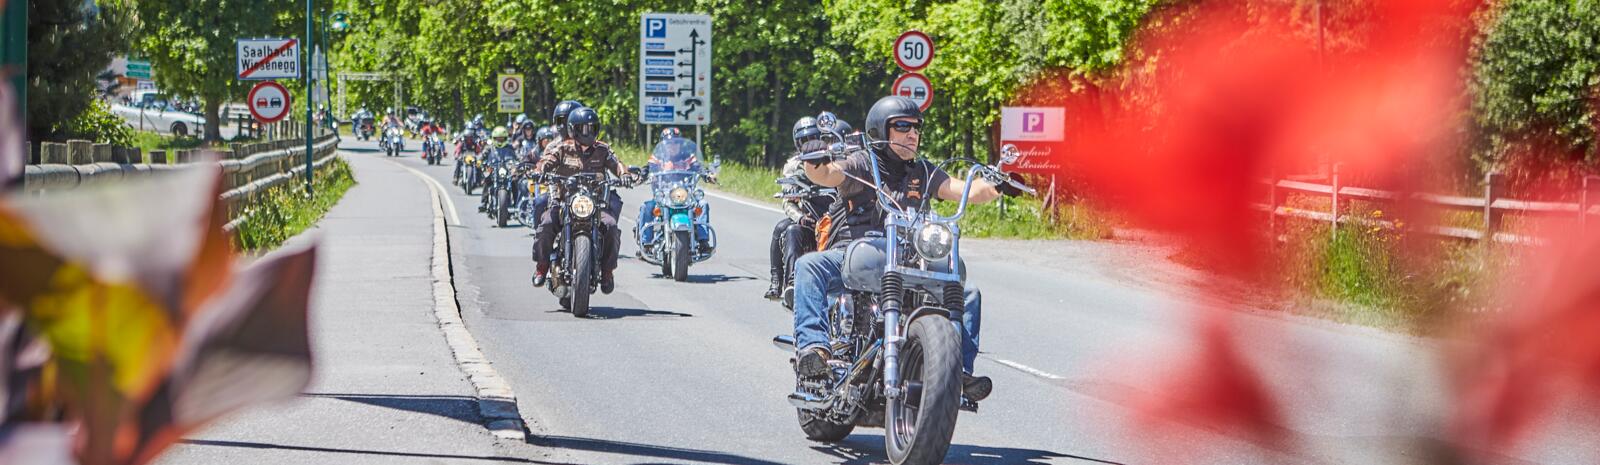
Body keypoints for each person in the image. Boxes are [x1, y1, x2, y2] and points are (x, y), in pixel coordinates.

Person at [791, 96, 1029, 405]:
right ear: (881, 131)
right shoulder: (862, 162)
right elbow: (828, 174)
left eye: (916, 127)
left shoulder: (923, 172)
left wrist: (999, 185)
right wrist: (814, 159)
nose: (912, 133)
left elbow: (966, 191)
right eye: (902, 126)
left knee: (967, 294)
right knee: (810, 265)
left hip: (909, 258)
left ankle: (958, 372)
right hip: (855, 251)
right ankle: (814, 349)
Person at [531, 107, 632, 294]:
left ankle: (607, 271)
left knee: (610, 227)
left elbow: (616, 163)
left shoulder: (602, 149)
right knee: (546, 224)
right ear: (572, 129)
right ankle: (542, 265)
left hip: (594, 204)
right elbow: (547, 161)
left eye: (591, 128)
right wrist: (540, 171)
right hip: (564, 202)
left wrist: (624, 174)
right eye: (583, 128)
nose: (588, 132)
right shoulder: (562, 149)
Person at [765, 116, 837, 300]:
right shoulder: (793, 166)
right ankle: (783, 282)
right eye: (803, 141)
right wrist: (800, 216)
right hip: (808, 215)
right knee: (784, 229)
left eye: (812, 139)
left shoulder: (834, 159)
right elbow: (788, 200)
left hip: (833, 216)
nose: (808, 144)